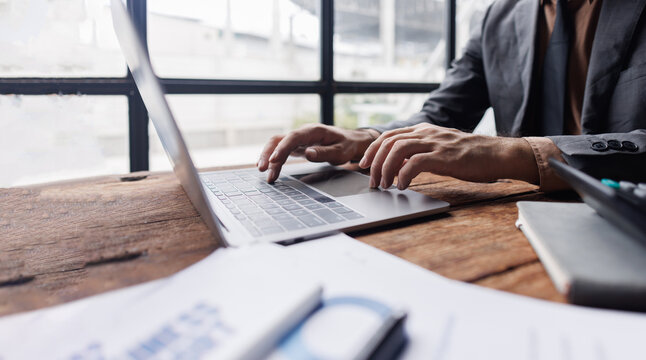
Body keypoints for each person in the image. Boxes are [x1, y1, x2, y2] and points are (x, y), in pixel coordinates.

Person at [257, 0, 646, 192]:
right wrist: (369, 138)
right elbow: (443, 113)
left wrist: (513, 153)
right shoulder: (500, 16)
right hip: (524, 215)